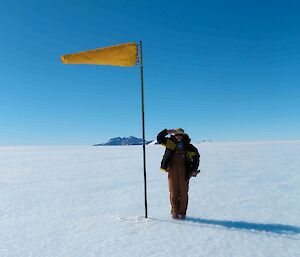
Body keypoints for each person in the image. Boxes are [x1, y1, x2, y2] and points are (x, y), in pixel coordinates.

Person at [157, 128, 200, 220]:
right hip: (172, 171)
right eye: (176, 134)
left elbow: (196, 158)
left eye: (180, 135)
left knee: (183, 193)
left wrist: (194, 169)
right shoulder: (170, 143)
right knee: (173, 192)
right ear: (174, 135)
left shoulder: (188, 146)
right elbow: (159, 138)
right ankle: (174, 211)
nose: (178, 136)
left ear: (183, 135)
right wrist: (167, 132)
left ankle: (182, 213)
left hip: (184, 172)